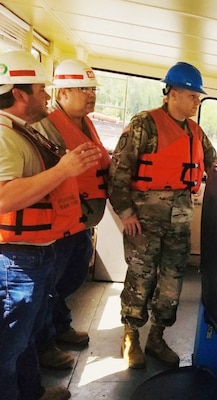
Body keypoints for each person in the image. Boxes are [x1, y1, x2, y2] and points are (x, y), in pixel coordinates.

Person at [108, 61, 217, 369]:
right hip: (144, 221)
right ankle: (131, 335)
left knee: (171, 284)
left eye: (198, 97)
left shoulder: (195, 132)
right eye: (193, 95)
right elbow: (118, 172)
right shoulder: (144, 125)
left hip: (178, 223)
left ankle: (157, 338)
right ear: (173, 93)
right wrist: (125, 212)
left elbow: (215, 166)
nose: (197, 101)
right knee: (141, 279)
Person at [0, 51, 102, 400]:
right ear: (18, 93)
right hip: (15, 259)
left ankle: (32, 392)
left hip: (38, 249)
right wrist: (63, 170)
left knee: (23, 338)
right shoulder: (2, 136)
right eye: (41, 88)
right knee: (8, 345)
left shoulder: (21, 131)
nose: (47, 95)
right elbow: (2, 199)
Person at [32, 59, 111, 369]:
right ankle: (44, 344)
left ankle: (59, 325)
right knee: (51, 285)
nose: (91, 95)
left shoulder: (85, 122)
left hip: (82, 221)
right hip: (59, 223)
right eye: (83, 89)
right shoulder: (47, 125)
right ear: (62, 93)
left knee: (73, 276)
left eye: (92, 89)